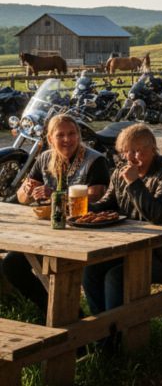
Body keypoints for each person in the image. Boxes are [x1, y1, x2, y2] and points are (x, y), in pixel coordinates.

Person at [1, 114, 110, 315]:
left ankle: (70, 319)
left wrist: (56, 195)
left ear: (79, 135)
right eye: (60, 135)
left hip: (84, 235)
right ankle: (54, 310)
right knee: (11, 265)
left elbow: (96, 198)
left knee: (59, 265)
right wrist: (27, 191)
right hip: (50, 232)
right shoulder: (44, 158)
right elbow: (21, 197)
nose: (67, 139)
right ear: (50, 139)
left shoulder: (95, 160)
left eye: (72, 134)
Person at [82, 124, 162, 315]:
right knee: (91, 271)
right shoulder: (120, 172)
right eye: (126, 152)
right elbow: (107, 204)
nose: (131, 157)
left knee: (116, 276)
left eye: (138, 151)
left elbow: (157, 214)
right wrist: (81, 207)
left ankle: (118, 334)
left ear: (153, 148)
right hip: (131, 248)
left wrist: (134, 183)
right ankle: (101, 331)